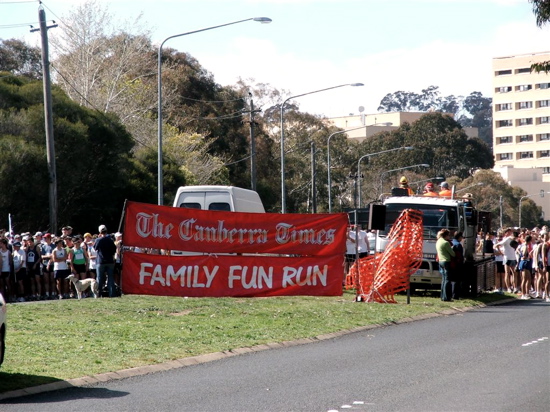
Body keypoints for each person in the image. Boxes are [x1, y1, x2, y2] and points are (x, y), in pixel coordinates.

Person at [94, 225, 117, 297]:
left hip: (101, 261)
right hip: (110, 261)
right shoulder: (110, 240)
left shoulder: (98, 240)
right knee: (110, 278)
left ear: (100, 232)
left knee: (100, 278)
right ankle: (112, 294)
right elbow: (114, 249)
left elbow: (95, 248)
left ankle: (99, 294)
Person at [436, 229, 455, 301]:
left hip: (440, 261)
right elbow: (452, 254)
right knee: (447, 279)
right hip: (446, 261)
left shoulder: (438, 241)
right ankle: (447, 297)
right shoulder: (446, 243)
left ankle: (442, 296)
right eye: (449, 235)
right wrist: (452, 249)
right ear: (446, 235)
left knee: (443, 279)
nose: (449, 237)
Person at [518, 234, 534, 299]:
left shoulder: (523, 245)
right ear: (530, 240)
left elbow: (517, 250)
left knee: (529, 278)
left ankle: (527, 293)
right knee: (524, 279)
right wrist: (525, 256)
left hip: (527, 262)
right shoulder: (525, 246)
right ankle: (523, 294)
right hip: (525, 262)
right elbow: (524, 255)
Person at [450, 231, 464, 300]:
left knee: (452, 280)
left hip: (451, 263)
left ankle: (452, 294)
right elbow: (460, 256)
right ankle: (455, 295)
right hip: (457, 264)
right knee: (457, 281)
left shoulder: (451, 242)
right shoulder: (458, 245)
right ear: (459, 237)